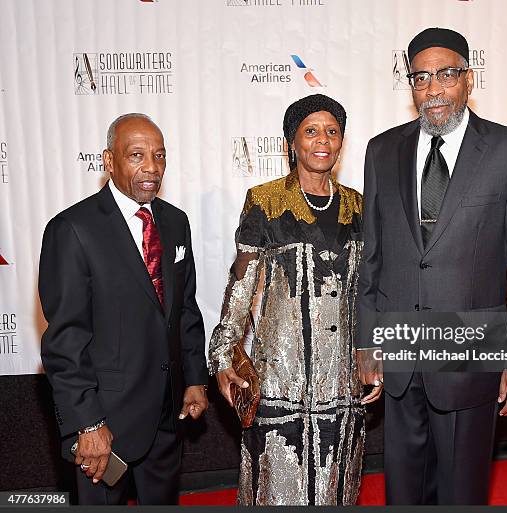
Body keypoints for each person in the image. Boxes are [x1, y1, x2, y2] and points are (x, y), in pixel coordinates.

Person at [358, 28, 507, 505]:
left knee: (462, 492)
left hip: (470, 353)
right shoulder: (382, 151)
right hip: (400, 350)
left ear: (468, 78)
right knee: (404, 491)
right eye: (421, 77)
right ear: (411, 85)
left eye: (446, 74)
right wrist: (366, 340)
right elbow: (372, 257)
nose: (434, 88)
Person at [209, 94, 381, 506]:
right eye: (311, 130)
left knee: (338, 493)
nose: (322, 140)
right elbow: (240, 286)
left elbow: (371, 288)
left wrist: (375, 351)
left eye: (332, 131)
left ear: (341, 142)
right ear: (292, 141)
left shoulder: (359, 207)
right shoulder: (265, 202)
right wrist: (222, 356)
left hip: (341, 388)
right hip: (277, 385)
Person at [39, 113, 209, 505]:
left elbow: (184, 309)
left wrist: (195, 378)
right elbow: (65, 343)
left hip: (167, 419)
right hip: (105, 427)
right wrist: (88, 423)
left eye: (160, 155)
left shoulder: (175, 222)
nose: (152, 167)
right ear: (108, 160)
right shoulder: (72, 229)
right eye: (136, 155)